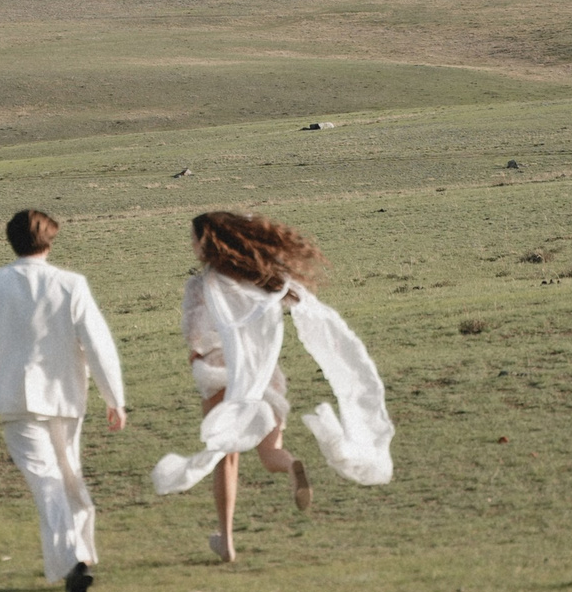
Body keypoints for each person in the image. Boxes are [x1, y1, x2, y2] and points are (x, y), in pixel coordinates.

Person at [154, 210, 395, 563]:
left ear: (207, 244)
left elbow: (195, 334)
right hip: (262, 374)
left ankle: (228, 541)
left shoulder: (202, 285)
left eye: (194, 239)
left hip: (218, 374)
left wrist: (197, 356)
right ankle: (292, 464)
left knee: (225, 457)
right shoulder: (257, 278)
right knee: (270, 455)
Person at [0, 209, 127, 592]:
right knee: (68, 475)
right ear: (50, 241)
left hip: (14, 397)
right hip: (66, 395)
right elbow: (99, 345)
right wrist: (113, 397)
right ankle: (80, 555)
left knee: (45, 481)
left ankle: (72, 563)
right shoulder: (70, 284)